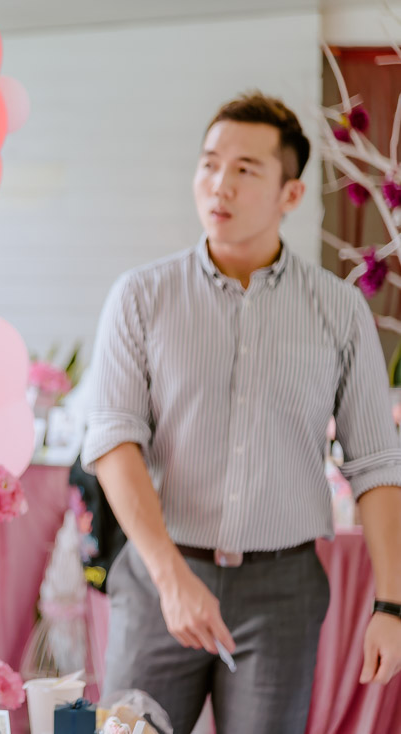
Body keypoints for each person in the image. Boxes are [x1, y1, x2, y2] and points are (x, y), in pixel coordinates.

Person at [82, 92, 401, 734]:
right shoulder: (142, 296)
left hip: (283, 592)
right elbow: (114, 440)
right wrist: (170, 578)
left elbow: (375, 462)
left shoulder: (339, 311)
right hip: (158, 576)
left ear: (291, 195)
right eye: (208, 164)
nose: (219, 184)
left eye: (246, 169)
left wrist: (393, 603)